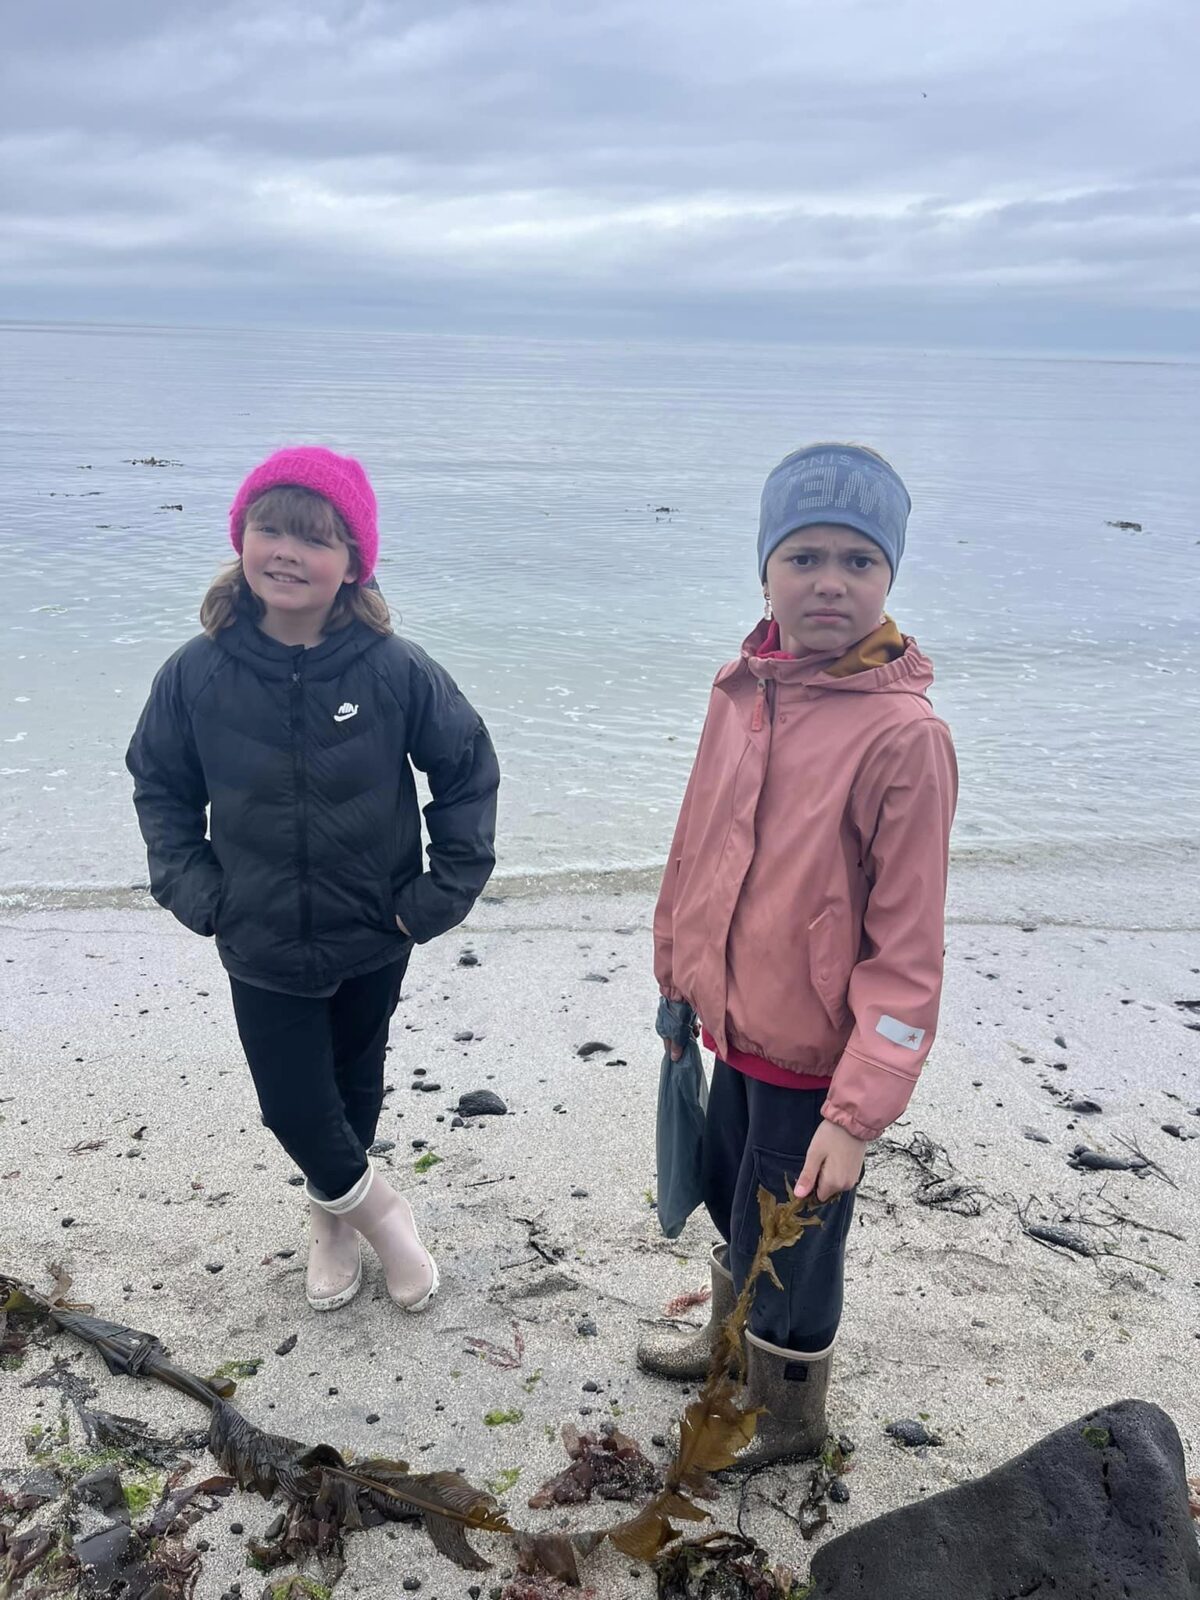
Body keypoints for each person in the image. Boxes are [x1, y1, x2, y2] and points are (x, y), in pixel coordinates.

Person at [127, 446, 499, 1316]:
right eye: (271, 530)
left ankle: (331, 1223)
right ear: (242, 539)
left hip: (375, 927)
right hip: (256, 931)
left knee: (354, 1083)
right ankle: (383, 1216)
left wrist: (434, 898)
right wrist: (200, 894)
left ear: (353, 562)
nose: (287, 553)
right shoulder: (197, 671)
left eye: (315, 538)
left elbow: (468, 771)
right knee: (292, 1105)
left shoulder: (395, 669)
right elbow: (160, 785)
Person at [640, 443, 957, 1463]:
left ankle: (784, 1415)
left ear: (889, 576)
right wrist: (678, 979)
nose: (830, 582)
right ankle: (730, 1347)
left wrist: (856, 1114)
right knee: (735, 1199)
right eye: (804, 556)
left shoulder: (905, 738)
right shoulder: (740, 689)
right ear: (765, 570)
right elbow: (696, 846)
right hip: (736, 1024)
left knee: (797, 1245)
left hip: (819, 1060)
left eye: (859, 560)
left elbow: (908, 952)